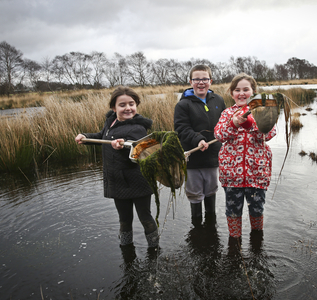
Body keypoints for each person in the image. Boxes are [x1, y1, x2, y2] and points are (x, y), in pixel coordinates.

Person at [75, 86, 158, 249]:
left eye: (131, 104)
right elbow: (101, 136)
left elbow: (141, 150)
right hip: (117, 180)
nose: (128, 108)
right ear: (114, 107)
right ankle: (126, 248)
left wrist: (124, 146)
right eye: (122, 105)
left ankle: (154, 248)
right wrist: (86, 137)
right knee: (124, 219)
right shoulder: (111, 120)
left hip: (138, 180)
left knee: (145, 216)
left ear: (136, 105)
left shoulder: (138, 128)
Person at [214, 73, 277, 241]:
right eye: (237, 90)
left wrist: (251, 124)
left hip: (256, 172)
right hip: (231, 174)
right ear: (231, 93)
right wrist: (233, 124)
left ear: (253, 91)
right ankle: (235, 241)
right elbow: (219, 134)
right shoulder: (227, 113)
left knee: (257, 208)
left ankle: (257, 239)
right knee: (233, 210)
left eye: (245, 89)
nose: (241, 94)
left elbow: (269, 133)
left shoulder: (262, 111)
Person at [174, 64, 226, 227]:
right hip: (193, 157)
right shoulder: (183, 105)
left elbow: (224, 123)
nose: (201, 82)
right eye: (197, 79)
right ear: (191, 81)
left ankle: (211, 228)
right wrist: (198, 139)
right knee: (195, 194)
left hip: (212, 156)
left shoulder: (218, 100)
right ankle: (196, 228)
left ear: (210, 81)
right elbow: (181, 129)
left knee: (211, 191)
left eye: (204, 79)